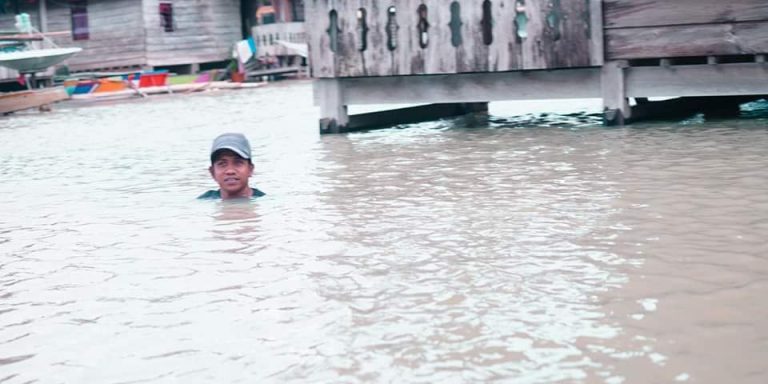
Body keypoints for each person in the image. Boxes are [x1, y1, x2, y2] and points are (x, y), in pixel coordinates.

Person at [198, 133, 266, 200]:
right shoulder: (202, 203)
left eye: (238, 163)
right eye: (222, 164)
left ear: (250, 169)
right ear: (212, 172)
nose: (230, 171)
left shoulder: (265, 202)